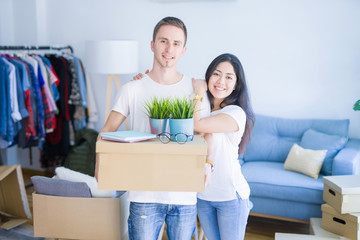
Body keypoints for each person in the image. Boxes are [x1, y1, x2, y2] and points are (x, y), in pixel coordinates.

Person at [95, 16, 210, 240]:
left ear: (184, 50)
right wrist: (100, 165)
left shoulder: (195, 90)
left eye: (176, 43)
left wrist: (208, 164)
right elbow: (106, 131)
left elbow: (204, 136)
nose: (169, 49)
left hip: (184, 197)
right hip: (143, 196)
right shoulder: (133, 88)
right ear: (152, 44)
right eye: (163, 41)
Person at [192, 53, 255, 240]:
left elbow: (196, 125)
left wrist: (198, 92)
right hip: (203, 196)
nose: (221, 81)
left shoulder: (235, 113)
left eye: (229, 77)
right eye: (217, 74)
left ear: (236, 84)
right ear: (209, 76)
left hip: (230, 197)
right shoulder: (203, 108)